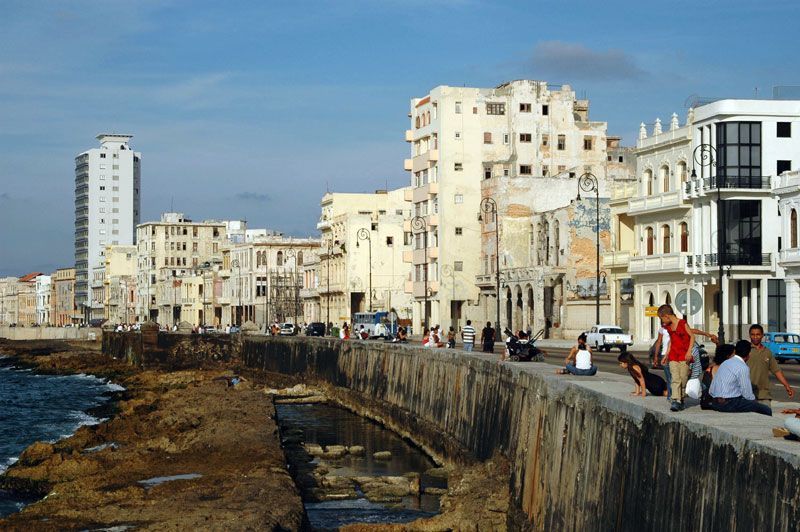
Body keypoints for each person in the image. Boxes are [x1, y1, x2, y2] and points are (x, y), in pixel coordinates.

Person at [709, 340, 772, 416]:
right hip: (729, 404)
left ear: (735, 351)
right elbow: (747, 394)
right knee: (766, 409)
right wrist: (754, 402)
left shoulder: (725, 363)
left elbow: (712, 389)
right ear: (749, 354)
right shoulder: (743, 367)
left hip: (715, 402)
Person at [747, 324, 794, 407]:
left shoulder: (767, 352)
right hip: (747, 394)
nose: (755, 337)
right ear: (749, 335)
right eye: (752, 334)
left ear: (762, 335)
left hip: (764, 395)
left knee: (766, 418)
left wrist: (787, 386)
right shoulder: (745, 351)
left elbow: (776, 371)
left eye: (758, 334)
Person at [658, 304, 694, 412]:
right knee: (675, 379)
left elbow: (692, 336)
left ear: (667, 316)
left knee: (683, 379)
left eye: (662, 318)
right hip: (673, 355)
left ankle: (680, 399)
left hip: (684, 356)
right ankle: (675, 400)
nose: (662, 322)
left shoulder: (682, 323)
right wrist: (666, 355)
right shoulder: (668, 327)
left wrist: (689, 352)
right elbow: (671, 342)